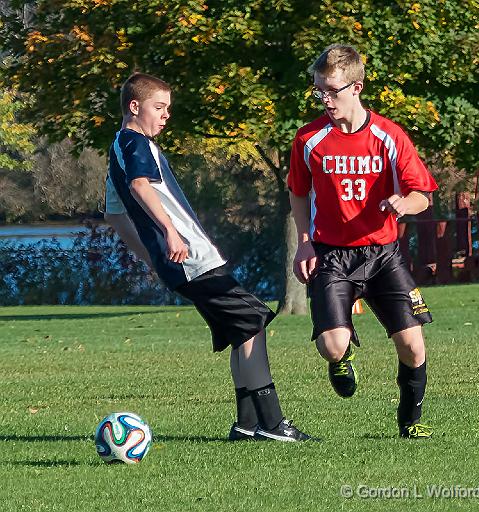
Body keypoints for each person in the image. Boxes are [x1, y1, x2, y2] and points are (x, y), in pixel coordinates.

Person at [104, 72, 311, 442]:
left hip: (184, 261)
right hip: (190, 259)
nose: (166, 115)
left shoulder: (118, 148)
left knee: (242, 328)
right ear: (134, 107)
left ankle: (247, 426)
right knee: (253, 320)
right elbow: (139, 187)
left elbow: (115, 215)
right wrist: (169, 232)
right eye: (158, 107)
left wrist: (151, 258)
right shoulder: (136, 144)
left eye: (168, 108)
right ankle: (273, 424)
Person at [288, 44, 438, 439]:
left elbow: (422, 194)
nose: (324, 99)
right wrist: (304, 242)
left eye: (332, 90)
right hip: (332, 255)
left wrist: (403, 202)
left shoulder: (389, 136)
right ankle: (341, 359)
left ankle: (410, 424)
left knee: (413, 346)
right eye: (318, 90)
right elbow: (298, 194)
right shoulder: (308, 139)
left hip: (384, 255)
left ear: (356, 87)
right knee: (331, 346)